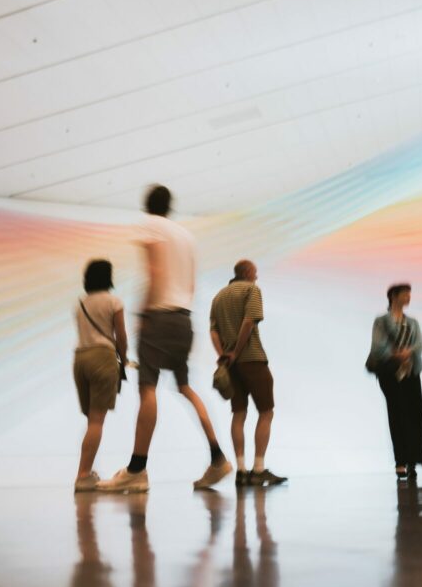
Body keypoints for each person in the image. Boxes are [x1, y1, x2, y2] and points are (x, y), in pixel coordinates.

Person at [99, 185, 232, 493]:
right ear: (170, 206)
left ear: (148, 205)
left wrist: (143, 315)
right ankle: (217, 458)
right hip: (183, 319)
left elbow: (155, 271)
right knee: (186, 387)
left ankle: (136, 469)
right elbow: (191, 282)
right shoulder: (186, 236)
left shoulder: (150, 226)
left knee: (148, 389)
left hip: (158, 317)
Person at [209, 260, 286, 487]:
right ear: (249, 273)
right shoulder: (252, 290)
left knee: (238, 414)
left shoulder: (219, 296)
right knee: (266, 412)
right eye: (256, 272)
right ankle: (259, 469)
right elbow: (249, 321)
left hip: (230, 366)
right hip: (252, 358)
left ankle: (241, 470)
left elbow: (213, 330)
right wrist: (236, 351)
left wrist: (224, 355)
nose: (257, 276)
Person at [73, 259, 128, 492]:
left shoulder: (81, 304)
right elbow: (121, 336)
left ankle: (86, 471)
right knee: (97, 421)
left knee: (91, 421)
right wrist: (123, 360)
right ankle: (83, 475)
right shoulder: (113, 301)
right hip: (102, 357)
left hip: (80, 359)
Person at [368, 283, 422, 479]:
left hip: (411, 372)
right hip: (390, 374)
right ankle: (400, 461)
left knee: (414, 416)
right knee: (397, 414)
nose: (408, 297)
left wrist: (408, 352)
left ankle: (413, 462)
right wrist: (395, 354)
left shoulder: (412, 323)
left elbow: (420, 342)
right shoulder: (381, 322)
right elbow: (377, 346)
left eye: (410, 294)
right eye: (405, 294)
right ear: (393, 296)